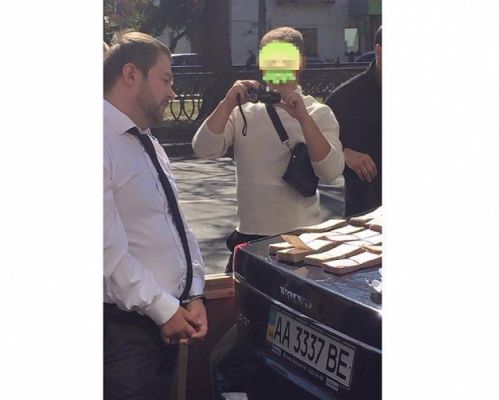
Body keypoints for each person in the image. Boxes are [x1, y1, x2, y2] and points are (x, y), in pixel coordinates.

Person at [104, 31, 207, 400]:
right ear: (131, 74)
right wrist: (163, 308)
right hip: (123, 336)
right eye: (166, 79)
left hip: (164, 323)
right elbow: (106, 253)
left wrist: (193, 292)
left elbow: (175, 223)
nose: (172, 93)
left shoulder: (145, 139)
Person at [192, 26, 344, 271]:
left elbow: (331, 171)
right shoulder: (242, 111)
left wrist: (303, 119)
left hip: (299, 237)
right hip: (249, 235)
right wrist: (227, 103)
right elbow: (203, 149)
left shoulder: (317, 113)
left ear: (301, 63)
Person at [326, 26, 382, 217]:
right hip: (365, 210)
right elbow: (318, 145)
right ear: (379, 50)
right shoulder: (344, 98)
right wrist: (344, 153)